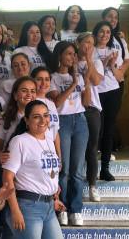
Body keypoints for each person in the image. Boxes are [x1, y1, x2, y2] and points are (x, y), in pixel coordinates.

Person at [2, 100, 63, 239]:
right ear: (26, 120)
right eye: (36, 116)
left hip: (48, 207)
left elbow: (46, 172)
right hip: (28, 206)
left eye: (46, 115)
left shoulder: (48, 140)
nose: (43, 120)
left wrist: (54, 195)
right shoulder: (20, 141)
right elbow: (7, 178)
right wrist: (15, 210)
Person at [47, 41, 91, 226]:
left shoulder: (79, 76)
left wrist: (84, 81)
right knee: (63, 170)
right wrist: (73, 83)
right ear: (59, 56)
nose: (72, 57)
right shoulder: (53, 76)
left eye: (74, 54)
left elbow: (86, 102)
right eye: (69, 53)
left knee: (77, 170)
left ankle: (76, 209)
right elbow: (56, 102)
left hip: (80, 120)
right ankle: (62, 208)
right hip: (63, 122)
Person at [92, 21, 124, 182]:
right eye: (101, 31)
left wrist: (112, 66)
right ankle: (91, 168)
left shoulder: (114, 51)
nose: (105, 35)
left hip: (112, 92)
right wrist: (104, 65)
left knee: (109, 131)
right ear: (96, 33)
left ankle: (105, 168)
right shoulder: (90, 51)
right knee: (98, 130)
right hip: (96, 93)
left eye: (108, 32)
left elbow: (119, 77)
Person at [74, 33, 104, 202]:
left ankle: (92, 185)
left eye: (92, 44)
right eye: (86, 42)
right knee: (76, 151)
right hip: (74, 108)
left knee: (92, 150)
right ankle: (74, 186)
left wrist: (89, 59)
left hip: (91, 109)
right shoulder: (71, 60)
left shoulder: (96, 62)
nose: (89, 46)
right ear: (78, 43)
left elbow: (96, 81)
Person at [102, 7, 129, 154]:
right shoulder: (97, 37)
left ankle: (110, 147)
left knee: (111, 117)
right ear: (103, 18)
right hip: (99, 84)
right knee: (99, 117)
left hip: (117, 82)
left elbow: (126, 61)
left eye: (116, 17)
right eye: (109, 16)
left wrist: (120, 71)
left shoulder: (121, 39)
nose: (113, 20)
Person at [0, 76, 37, 166]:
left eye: (33, 91)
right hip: (10, 167)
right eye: (24, 90)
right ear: (15, 95)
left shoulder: (42, 118)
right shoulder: (3, 117)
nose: (29, 94)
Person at [31, 66, 61, 157]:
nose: (44, 83)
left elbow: (55, 131)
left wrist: (58, 155)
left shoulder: (51, 104)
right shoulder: (29, 102)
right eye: (39, 79)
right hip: (34, 150)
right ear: (33, 81)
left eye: (47, 79)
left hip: (51, 150)